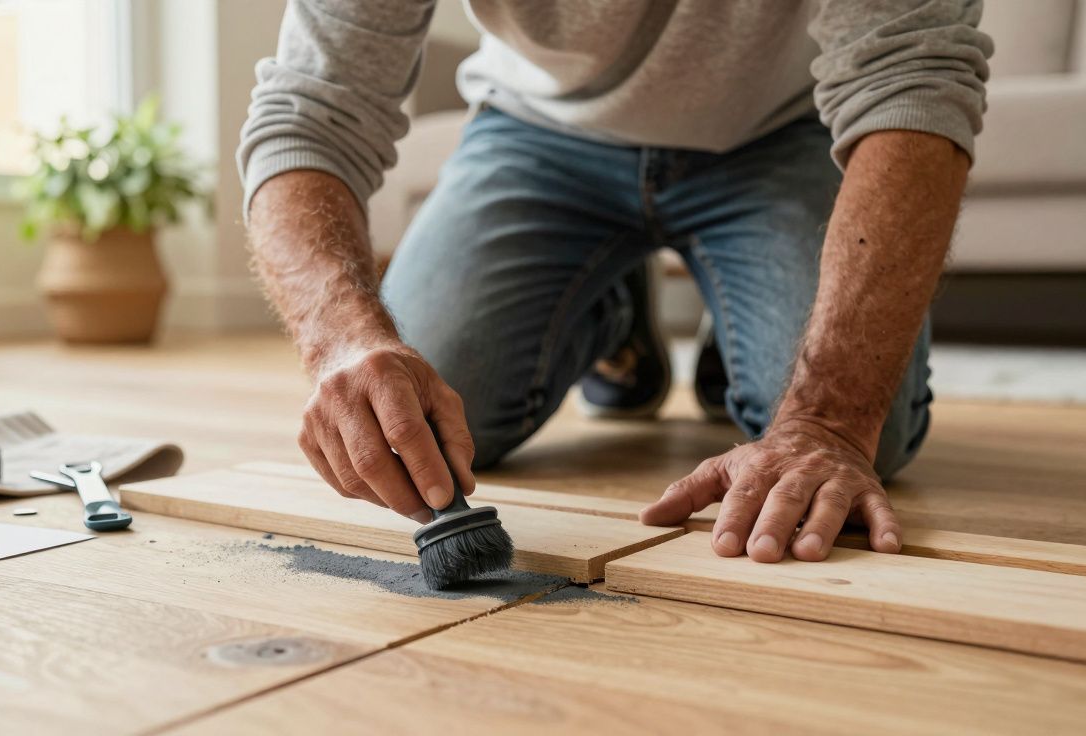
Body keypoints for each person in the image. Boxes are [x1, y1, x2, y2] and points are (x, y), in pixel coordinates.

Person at [238, 1, 991, 563]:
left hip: (780, 130)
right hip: (540, 133)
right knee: (428, 418)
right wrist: (339, 342)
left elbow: (912, 79)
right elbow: (310, 113)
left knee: (865, 441)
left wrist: (826, 420)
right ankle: (610, 312)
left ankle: (738, 321)